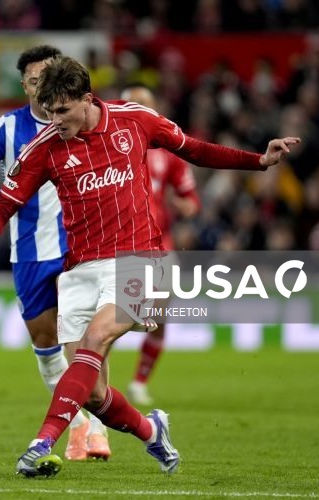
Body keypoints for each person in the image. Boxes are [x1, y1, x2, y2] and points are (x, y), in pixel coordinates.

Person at [0, 55, 300, 477]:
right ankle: (151, 431)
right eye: (49, 112)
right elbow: (7, 204)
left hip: (143, 260)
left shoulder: (134, 120)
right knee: (92, 392)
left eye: (63, 111)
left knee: (96, 338)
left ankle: (40, 442)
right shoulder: (45, 146)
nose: (56, 120)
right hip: (81, 269)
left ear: (87, 99)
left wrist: (258, 160)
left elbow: (193, 149)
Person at [0, 45, 111, 462]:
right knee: (45, 345)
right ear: (24, 85)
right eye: (34, 80)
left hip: (79, 246)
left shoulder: (88, 122)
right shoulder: (8, 128)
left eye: (49, 77)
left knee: (86, 340)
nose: (42, 85)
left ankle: (96, 429)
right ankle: (79, 426)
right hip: (28, 252)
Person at [119, 84, 201, 406]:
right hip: (118, 239)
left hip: (158, 240)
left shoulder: (168, 151)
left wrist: (188, 206)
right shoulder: (107, 148)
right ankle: (96, 378)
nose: (139, 109)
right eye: (132, 104)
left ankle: (139, 381)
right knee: (112, 317)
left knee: (160, 312)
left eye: (145, 104)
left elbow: (189, 195)